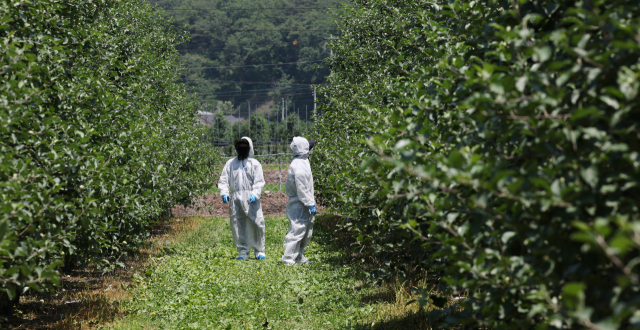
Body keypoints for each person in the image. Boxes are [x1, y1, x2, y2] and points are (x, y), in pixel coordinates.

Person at [218, 137, 266, 260]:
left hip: (251, 198)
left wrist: (255, 193)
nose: (242, 148)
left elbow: (259, 181)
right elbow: (223, 179)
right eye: (240, 146)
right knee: (237, 224)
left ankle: (259, 250)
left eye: (244, 146)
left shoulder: (255, 164)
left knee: (256, 222)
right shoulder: (230, 163)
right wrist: (224, 192)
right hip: (235, 197)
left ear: (249, 147)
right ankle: (243, 251)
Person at [282, 137, 317, 266]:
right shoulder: (299, 164)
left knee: (306, 231)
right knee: (297, 230)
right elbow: (302, 187)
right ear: (303, 149)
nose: (310, 149)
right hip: (298, 203)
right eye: (308, 147)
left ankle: (298, 256)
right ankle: (288, 258)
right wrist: (310, 202)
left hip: (304, 202)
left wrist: (309, 202)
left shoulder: (303, 161)